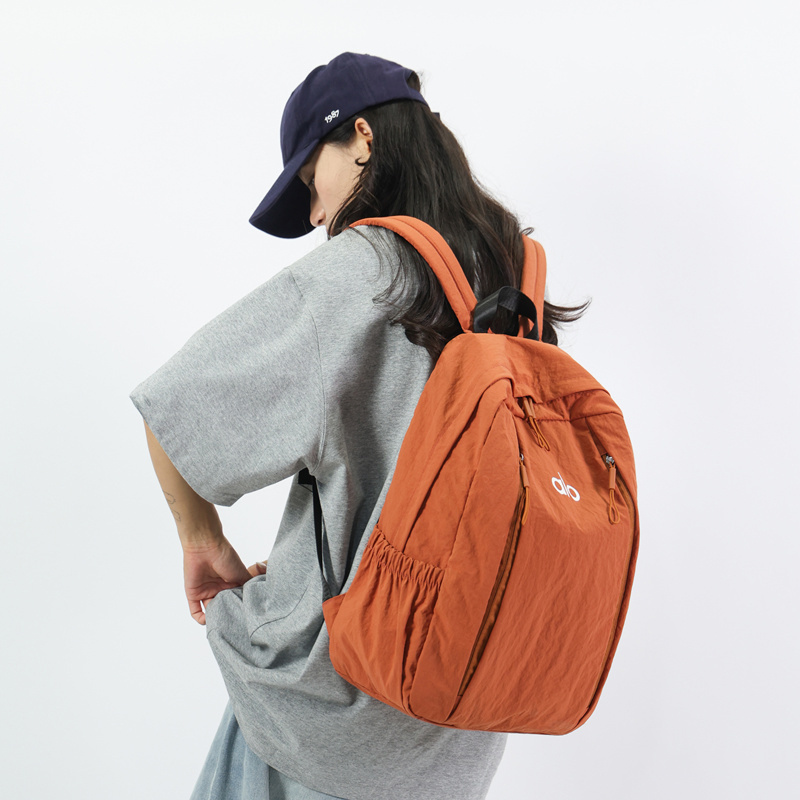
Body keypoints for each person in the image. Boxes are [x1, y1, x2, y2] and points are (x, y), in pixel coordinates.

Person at [131, 52, 585, 800]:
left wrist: (202, 542)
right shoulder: (516, 277)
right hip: (461, 721)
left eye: (312, 181)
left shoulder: (362, 269)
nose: (316, 215)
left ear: (362, 137)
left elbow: (174, 411)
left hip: (325, 719)